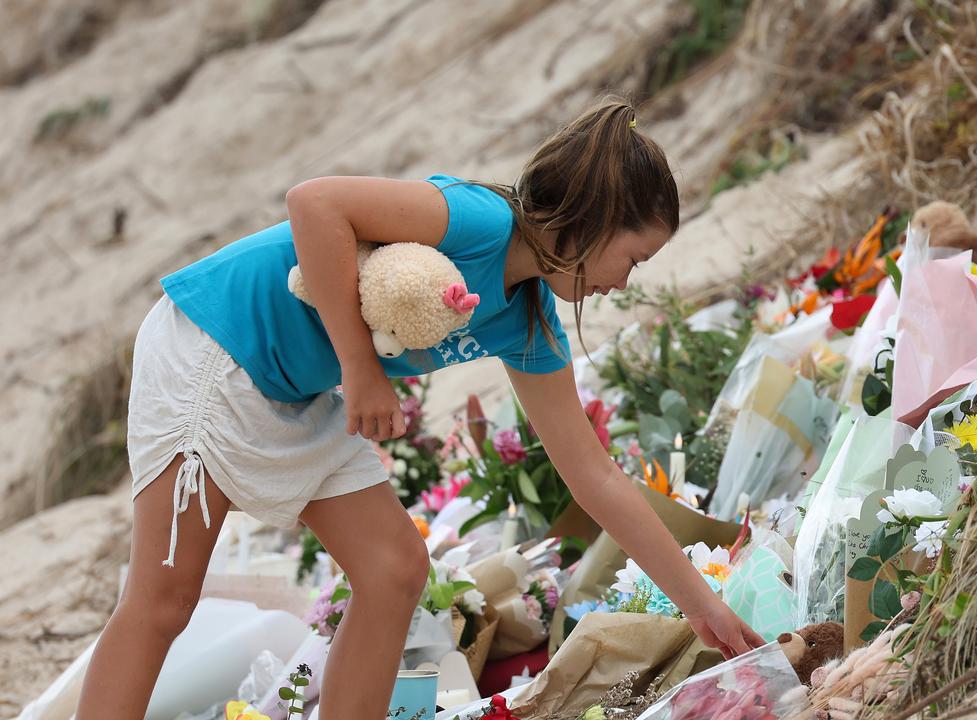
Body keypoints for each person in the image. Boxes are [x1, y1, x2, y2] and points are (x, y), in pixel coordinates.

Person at [76, 96, 764, 718]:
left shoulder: (527, 321)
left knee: (394, 569)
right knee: (164, 601)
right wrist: (360, 369)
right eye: (633, 259)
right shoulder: (478, 219)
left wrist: (704, 609)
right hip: (213, 347)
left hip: (291, 389)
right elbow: (314, 203)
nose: (625, 282)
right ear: (593, 222)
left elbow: (597, 477)